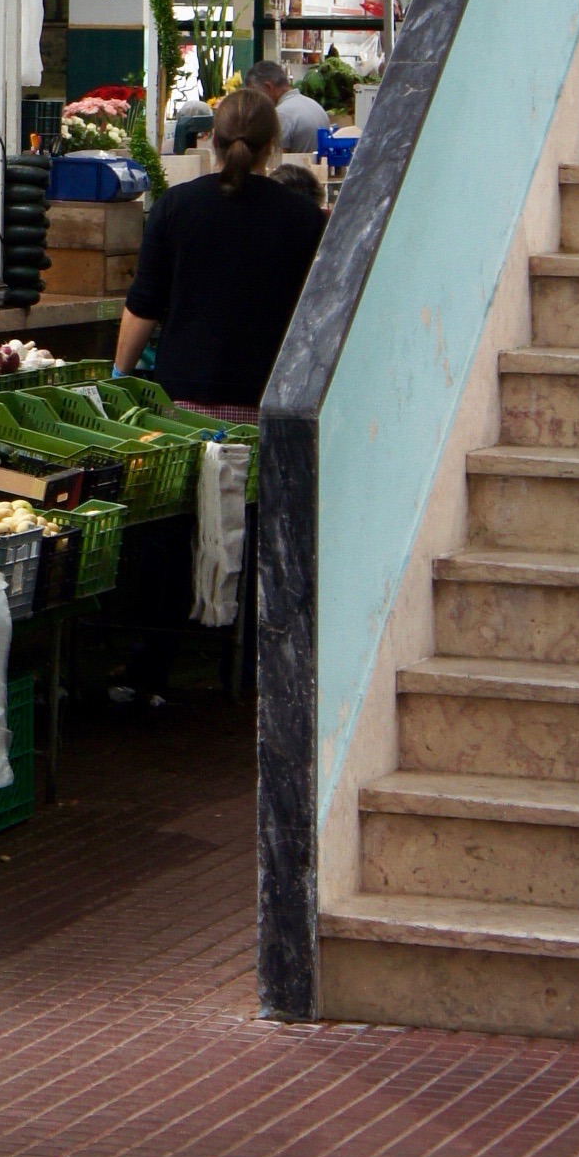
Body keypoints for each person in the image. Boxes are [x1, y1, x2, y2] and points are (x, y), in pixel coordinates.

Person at [108, 84, 326, 707]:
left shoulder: (176, 208)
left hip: (185, 404)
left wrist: (120, 377)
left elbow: (143, 306)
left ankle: (151, 672)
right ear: (272, 148)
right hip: (265, 405)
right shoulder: (302, 219)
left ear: (209, 140)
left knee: (171, 536)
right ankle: (261, 678)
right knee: (260, 540)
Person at [248, 57, 332, 157]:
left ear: (268, 87)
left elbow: (276, 163)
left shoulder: (281, 115)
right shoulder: (315, 106)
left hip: (295, 171)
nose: (255, 100)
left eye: (255, 92)